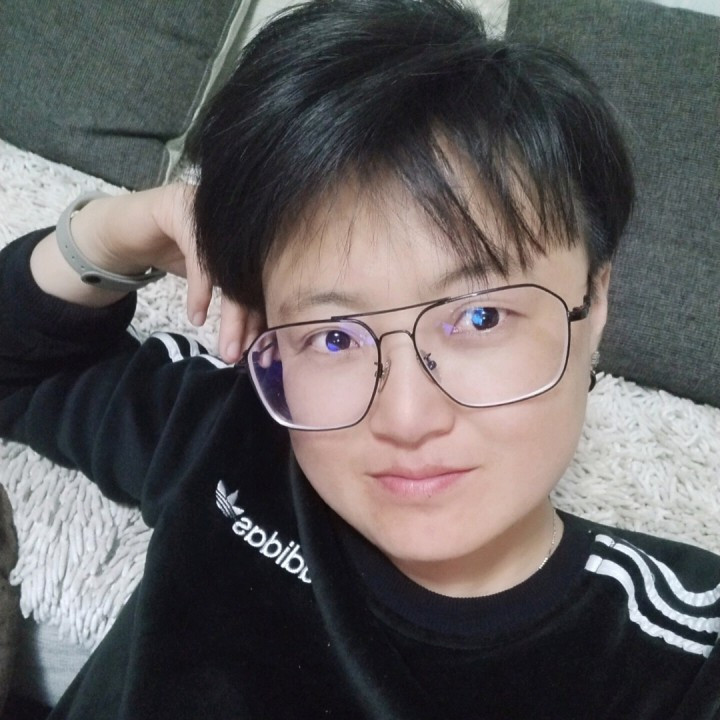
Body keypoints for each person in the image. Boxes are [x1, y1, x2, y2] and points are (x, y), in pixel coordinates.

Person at [1, 0, 718, 717]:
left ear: (595, 300)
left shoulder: (678, 656)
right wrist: (110, 235)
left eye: (480, 317)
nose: (407, 417)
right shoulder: (233, 438)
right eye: (334, 337)